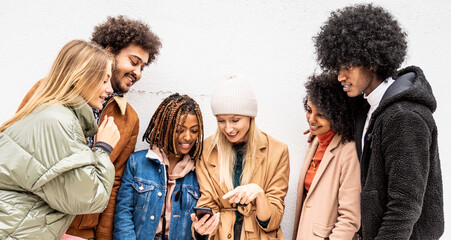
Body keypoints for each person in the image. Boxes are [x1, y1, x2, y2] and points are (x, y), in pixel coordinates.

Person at [18, 15, 162, 240]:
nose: (139, 73)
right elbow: (20, 157)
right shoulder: (50, 90)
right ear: (109, 51)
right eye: (134, 62)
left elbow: (113, 187)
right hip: (36, 227)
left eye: (143, 67)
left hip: (82, 233)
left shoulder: (129, 119)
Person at [314, 4, 444, 239]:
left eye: (347, 67)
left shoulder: (404, 116)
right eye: (337, 67)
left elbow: (404, 206)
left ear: (371, 61)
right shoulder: (369, 108)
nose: (340, 76)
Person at [0, 40, 119, 239]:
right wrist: (103, 148)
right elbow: (89, 198)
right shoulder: (57, 121)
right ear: (80, 78)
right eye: (104, 80)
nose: (109, 89)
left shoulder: (49, 113)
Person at [192, 75, 290, 240]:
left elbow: (273, 220)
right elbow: (207, 201)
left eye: (235, 120)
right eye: (221, 121)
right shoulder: (205, 149)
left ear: (251, 116)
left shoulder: (278, 151)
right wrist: (200, 229)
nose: (228, 128)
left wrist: (259, 194)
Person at [113, 93, 205, 240]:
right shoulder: (136, 163)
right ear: (166, 128)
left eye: (194, 131)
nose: (188, 137)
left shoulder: (200, 170)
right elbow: (123, 213)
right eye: (180, 130)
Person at [292, 73, 360, 240]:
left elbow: (349, 219)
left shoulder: (349, 151)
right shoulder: (316, 141)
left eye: (321, 114)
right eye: (309, 110)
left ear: (338, 115)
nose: (311, 119)